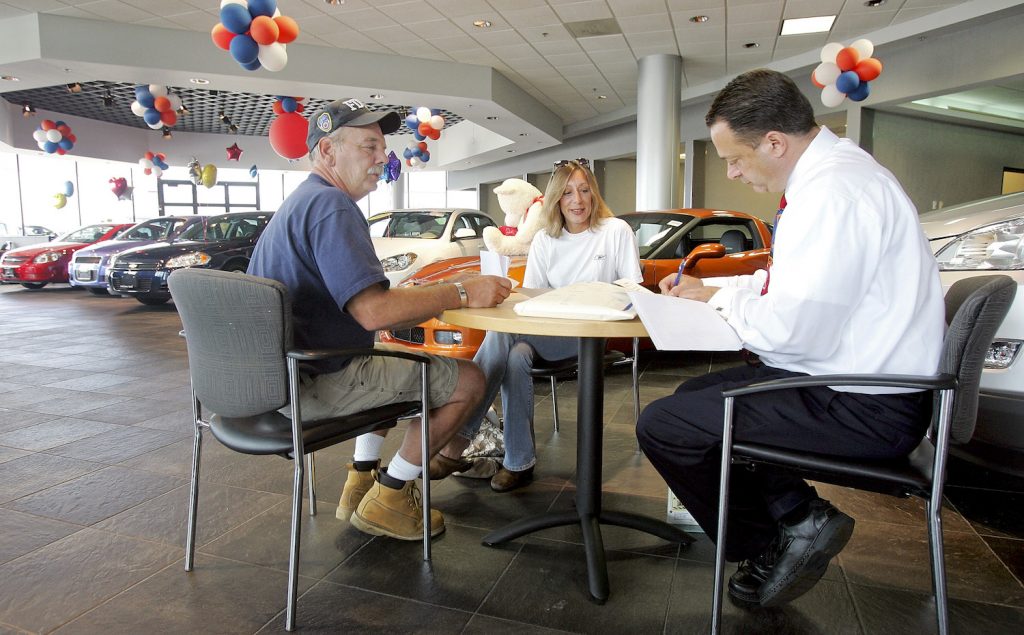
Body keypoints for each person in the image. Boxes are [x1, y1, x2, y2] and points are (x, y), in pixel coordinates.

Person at [636, 70, 945, 608]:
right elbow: (797, 285)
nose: (732, 171)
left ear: (775, 142)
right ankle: (799, 515)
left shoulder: (833, 193)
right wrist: (714, 287)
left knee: (666, 426)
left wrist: (720, 302)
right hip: (865, 383)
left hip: (866, 406)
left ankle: (773, 542)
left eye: (735, 158)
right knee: (692, 401)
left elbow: (790, 333)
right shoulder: (837, 176)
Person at [248, 98, 512, 541]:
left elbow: (367, 303)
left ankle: (361, 480)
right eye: (369, 146)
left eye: (382, 148)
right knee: (467, 379)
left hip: (283, 377)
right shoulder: (333, 207)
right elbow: (373, 312)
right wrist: (464, 290)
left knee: (396, 358)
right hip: (313, 381)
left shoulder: (302, 202)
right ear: (328, 152)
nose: (382, 159)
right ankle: (391, 496)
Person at [429, 159, 643, 492]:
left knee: (502, 336)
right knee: (515, 355)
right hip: (545, 331)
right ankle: (518, 463)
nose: (578, 200)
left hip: (589, 335)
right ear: (556, 199)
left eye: (585, 190)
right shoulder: (545, 238)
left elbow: (633, 288)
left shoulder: (616, 231)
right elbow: (532, 297)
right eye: (568, 192)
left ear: (594, 194)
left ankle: (456, 441)